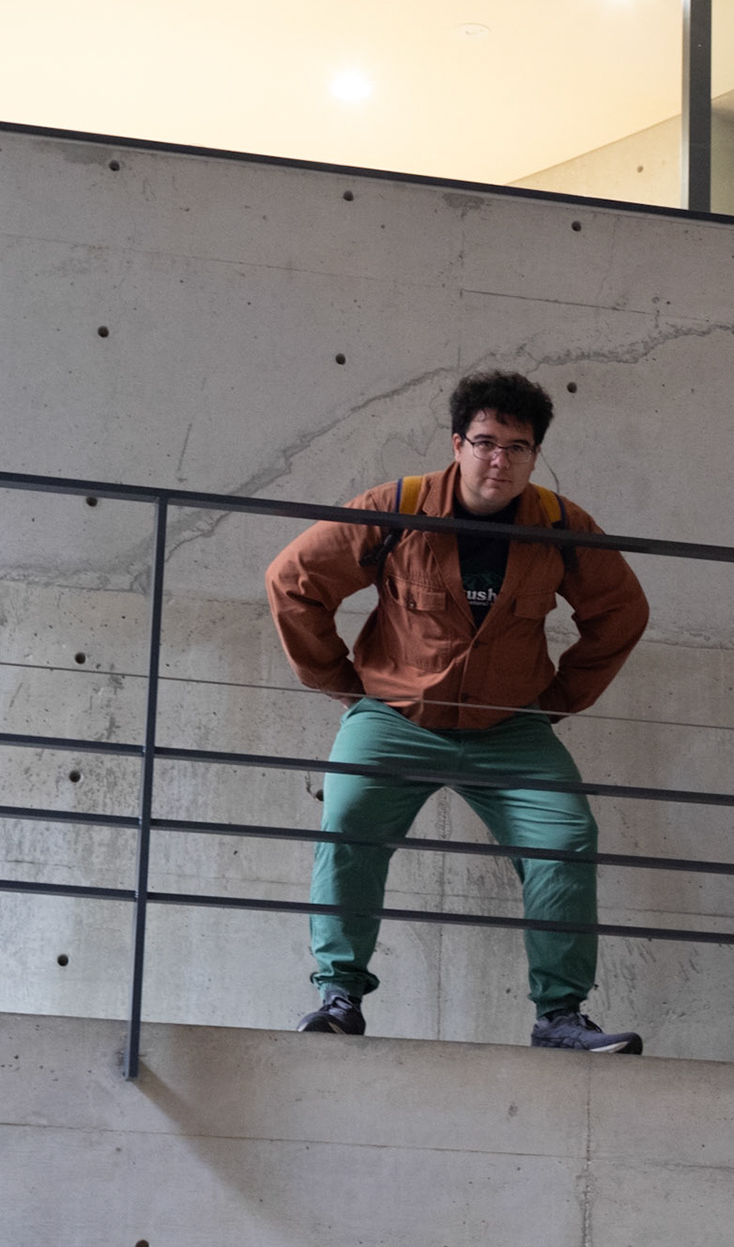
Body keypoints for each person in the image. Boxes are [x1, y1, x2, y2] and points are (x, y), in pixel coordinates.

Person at [266, 371, 650, 1052]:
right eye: (486, 442)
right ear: (457, 444)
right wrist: (343, 685)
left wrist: (557, 700)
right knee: (348, 819)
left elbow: (622, 611)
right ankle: (339, 997)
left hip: (510, 727)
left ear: (535, 455)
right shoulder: (398, 509)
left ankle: (559, 1016)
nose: (500, 460)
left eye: (518, 447)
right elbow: (293, 581)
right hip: (396, 718)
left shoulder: (560, 526)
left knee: (566, 837)